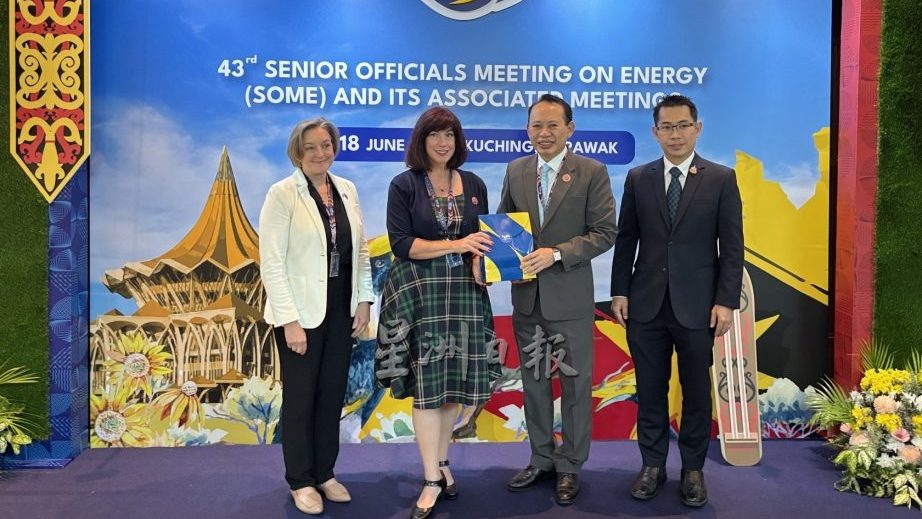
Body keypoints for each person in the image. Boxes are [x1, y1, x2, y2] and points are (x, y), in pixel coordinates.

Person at [610, 94, 743, 507]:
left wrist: (725, 301)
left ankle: (693, 470)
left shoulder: (721, 178)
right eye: (667, 127)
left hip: (698, 307)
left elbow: (732, 247)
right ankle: (652, 466)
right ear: (655, 132)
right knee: (650, 390)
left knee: (696, 393)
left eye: (683, 125)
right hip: (646, 304)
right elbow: (626, 240)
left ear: (697, 128)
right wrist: (619, 291)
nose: (675, 134)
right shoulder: (639, 178)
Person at [375, 106, 501, 519]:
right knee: (428, 387)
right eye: (435, 135)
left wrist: (483, 265)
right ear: (421, 140)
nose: (443, 142)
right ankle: (430, 479)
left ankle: (442, 463)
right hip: (419, 294)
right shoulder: (404, 184)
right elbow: (402, 244)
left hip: (464, 293)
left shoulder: (475, 183)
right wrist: (458, 245)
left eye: (449, 134)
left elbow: (484, 242)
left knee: (452, 384)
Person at [497, 94, 617, 506]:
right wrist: (496, 260)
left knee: (575, 385)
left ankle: (570, 465)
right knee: (533, 383)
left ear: (570, 128)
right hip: (528, 300)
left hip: (570, 300)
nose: (544, 133)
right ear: (527, 129)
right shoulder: (515, 170)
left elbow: (605, 232)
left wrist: (557, 254)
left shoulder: (591, 172)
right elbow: (505, 229)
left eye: (552, 125)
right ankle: (541, 458)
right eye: (536, 125)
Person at [260, 117, 373, 515]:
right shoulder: (282, 193)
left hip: (341, 310)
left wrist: (364, 299)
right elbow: (272, 262)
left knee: (331, 396)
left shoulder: (347, 189)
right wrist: (289, 321)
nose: (320, 153)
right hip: (300, 317)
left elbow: (360, 250)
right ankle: (301, 480)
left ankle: (325, 473)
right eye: (310, 147)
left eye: (326, 145)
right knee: (301, 399)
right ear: (297, 152)